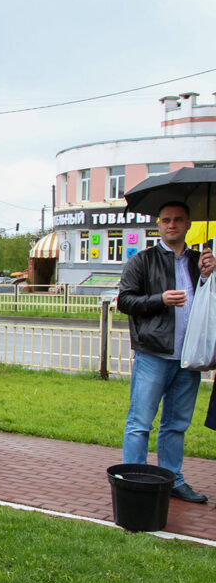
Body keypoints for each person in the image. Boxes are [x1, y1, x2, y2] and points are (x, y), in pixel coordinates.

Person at [118, 201, 211, 504]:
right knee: (140, 423)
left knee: (176, 424)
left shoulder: (201, 261)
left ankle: (172, 479)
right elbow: (125, 301)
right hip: (153, 354)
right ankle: (134, 479)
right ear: (158, 225)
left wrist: (211, 275)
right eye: (166, 220)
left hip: (189, 356)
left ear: (188, 225)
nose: (172, 225)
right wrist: (160, 299)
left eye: (179, 220)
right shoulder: (142, 261)